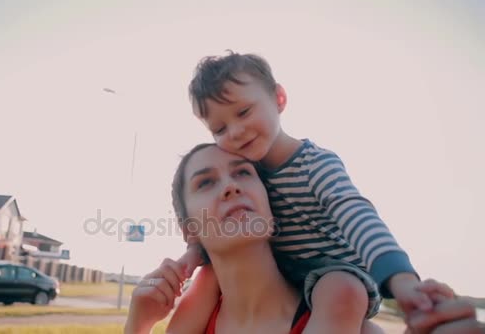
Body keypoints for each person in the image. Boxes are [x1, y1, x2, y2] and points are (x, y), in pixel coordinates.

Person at [172, 51, 457, 332]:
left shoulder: (315, 164)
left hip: (337, 273)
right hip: (288, 278)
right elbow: (217, 223)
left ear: (279, 98)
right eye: (219, 129)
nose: (234, 132)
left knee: (339, 290)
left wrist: (402, 280)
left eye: (244, 112)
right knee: (208, 278)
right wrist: (193, 253)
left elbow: (358, 216)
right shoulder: (246, 173)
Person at [125, 144, 384, 333]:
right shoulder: (194, 322)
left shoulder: (344, 323)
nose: (230, 186)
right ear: (190, 229)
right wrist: (138, 324)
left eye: (243, 173)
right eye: (205, 182)